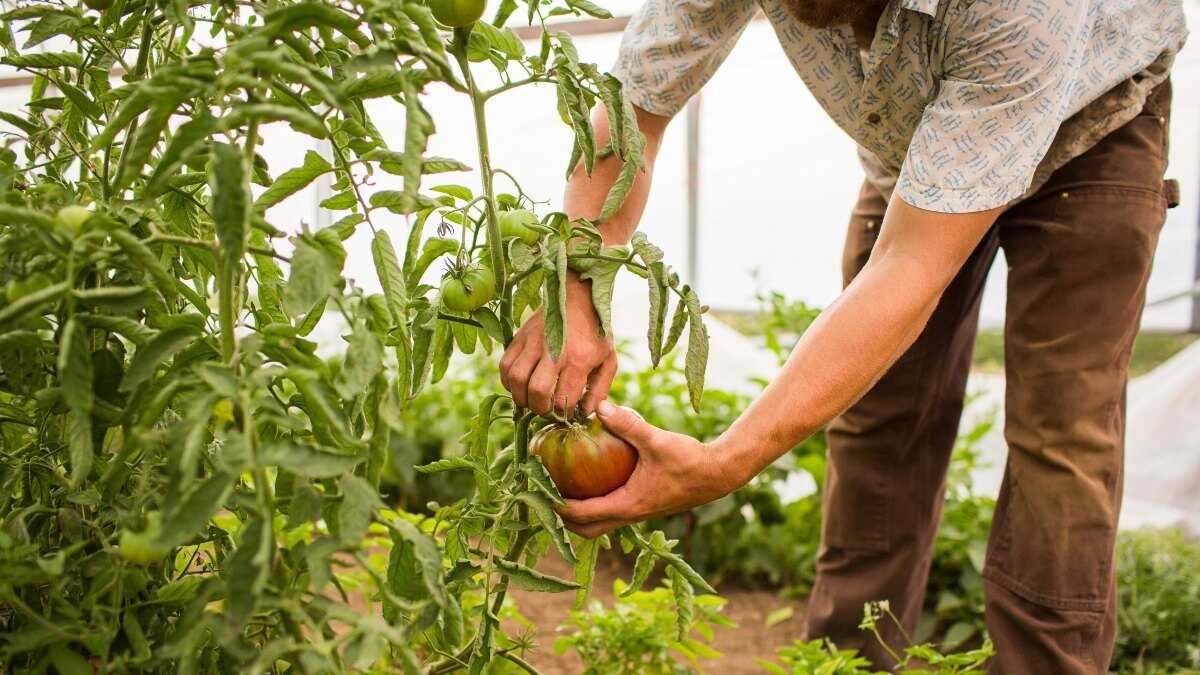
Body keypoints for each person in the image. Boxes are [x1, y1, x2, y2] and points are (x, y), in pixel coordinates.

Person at [496, 1, 1188, 672]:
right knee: (879, 420)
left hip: (1091, 132)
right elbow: (632, 108)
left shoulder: (1018, 12)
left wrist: (730, 460)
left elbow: (911, 265)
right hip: (911, 154)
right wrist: (579, 277)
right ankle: (846, 663)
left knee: (1060, 437)